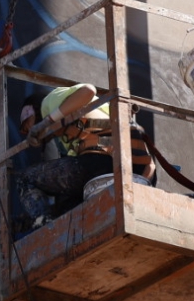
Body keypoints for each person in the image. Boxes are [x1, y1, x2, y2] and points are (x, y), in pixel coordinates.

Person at [15, 82, 154, 227]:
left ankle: (46, 227)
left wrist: (46, 122)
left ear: (30, 110)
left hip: (106, 161)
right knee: (67, 203)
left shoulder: (49, 102)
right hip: (136, 167)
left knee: (25, 178)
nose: (29, 131)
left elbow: (88, 90)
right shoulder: (70, 131)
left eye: (26, 126)